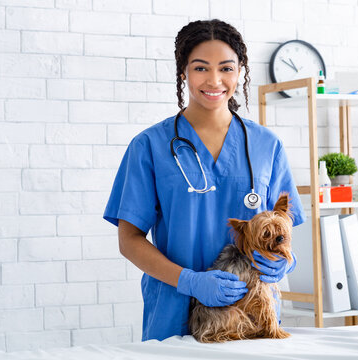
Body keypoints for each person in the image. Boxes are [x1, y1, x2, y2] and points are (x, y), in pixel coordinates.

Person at [103, 19, 305, 341]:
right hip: (174, 312)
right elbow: (129, 240)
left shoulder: (267, 146)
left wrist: (285, 264)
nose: (214, 80)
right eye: (200, 68)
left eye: (226, 68)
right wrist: (190, 281)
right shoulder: (150, 146)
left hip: (254, 315)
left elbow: (284, 226)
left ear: (240, 72)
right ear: (183, 71)